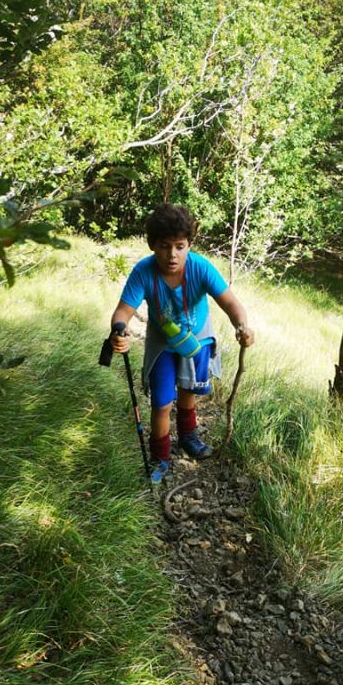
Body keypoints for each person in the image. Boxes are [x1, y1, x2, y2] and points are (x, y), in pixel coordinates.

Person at [110, 203, 254, 482]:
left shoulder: (200, 267)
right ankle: (160, 457)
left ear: (189, 244)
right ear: (153, 245)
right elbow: (123, 311)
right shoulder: (144, 271)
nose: (172, 254)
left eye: (180, 246)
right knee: (162, 402)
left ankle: (188, 437)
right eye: (164, 246)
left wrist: (242, 326)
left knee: (189, 391)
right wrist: (119, 330)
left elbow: (231, 303)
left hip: (197, 338)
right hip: (162, 342)